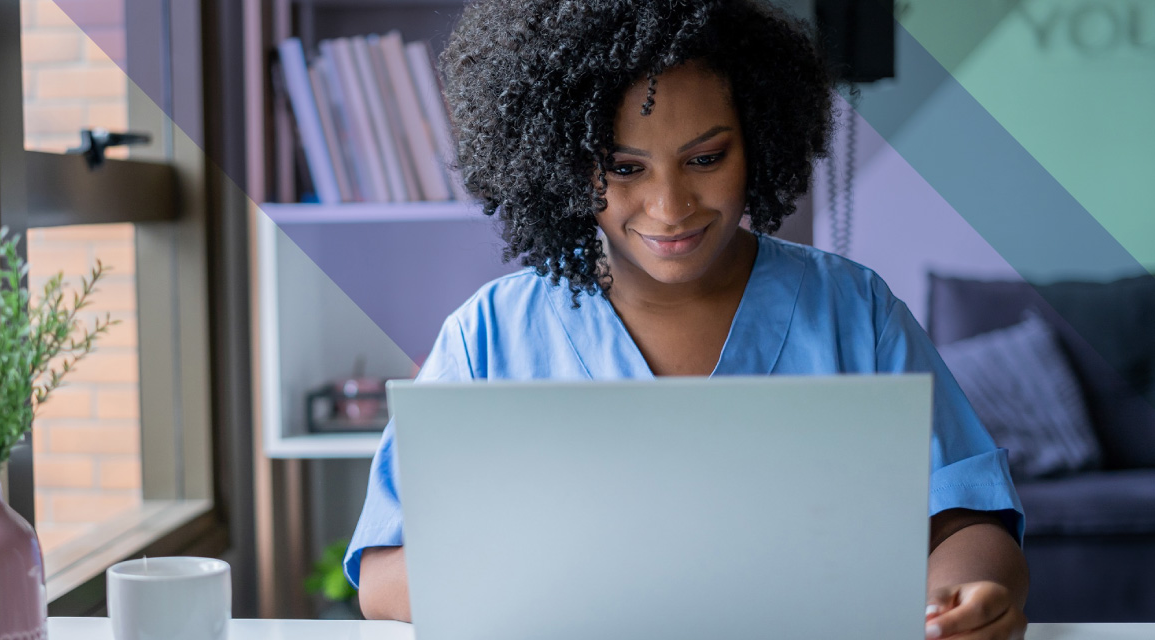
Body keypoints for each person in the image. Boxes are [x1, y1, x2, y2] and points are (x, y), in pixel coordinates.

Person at [345, 1, 1029, 638]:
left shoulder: (854, 311)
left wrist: (963, 592)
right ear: (559, 161)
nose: (670, 206)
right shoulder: (486, 337)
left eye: (706, 158)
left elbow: (968, 518)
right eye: (623, 167)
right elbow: (383, 573)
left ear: (760, 139)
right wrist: (579, 586)